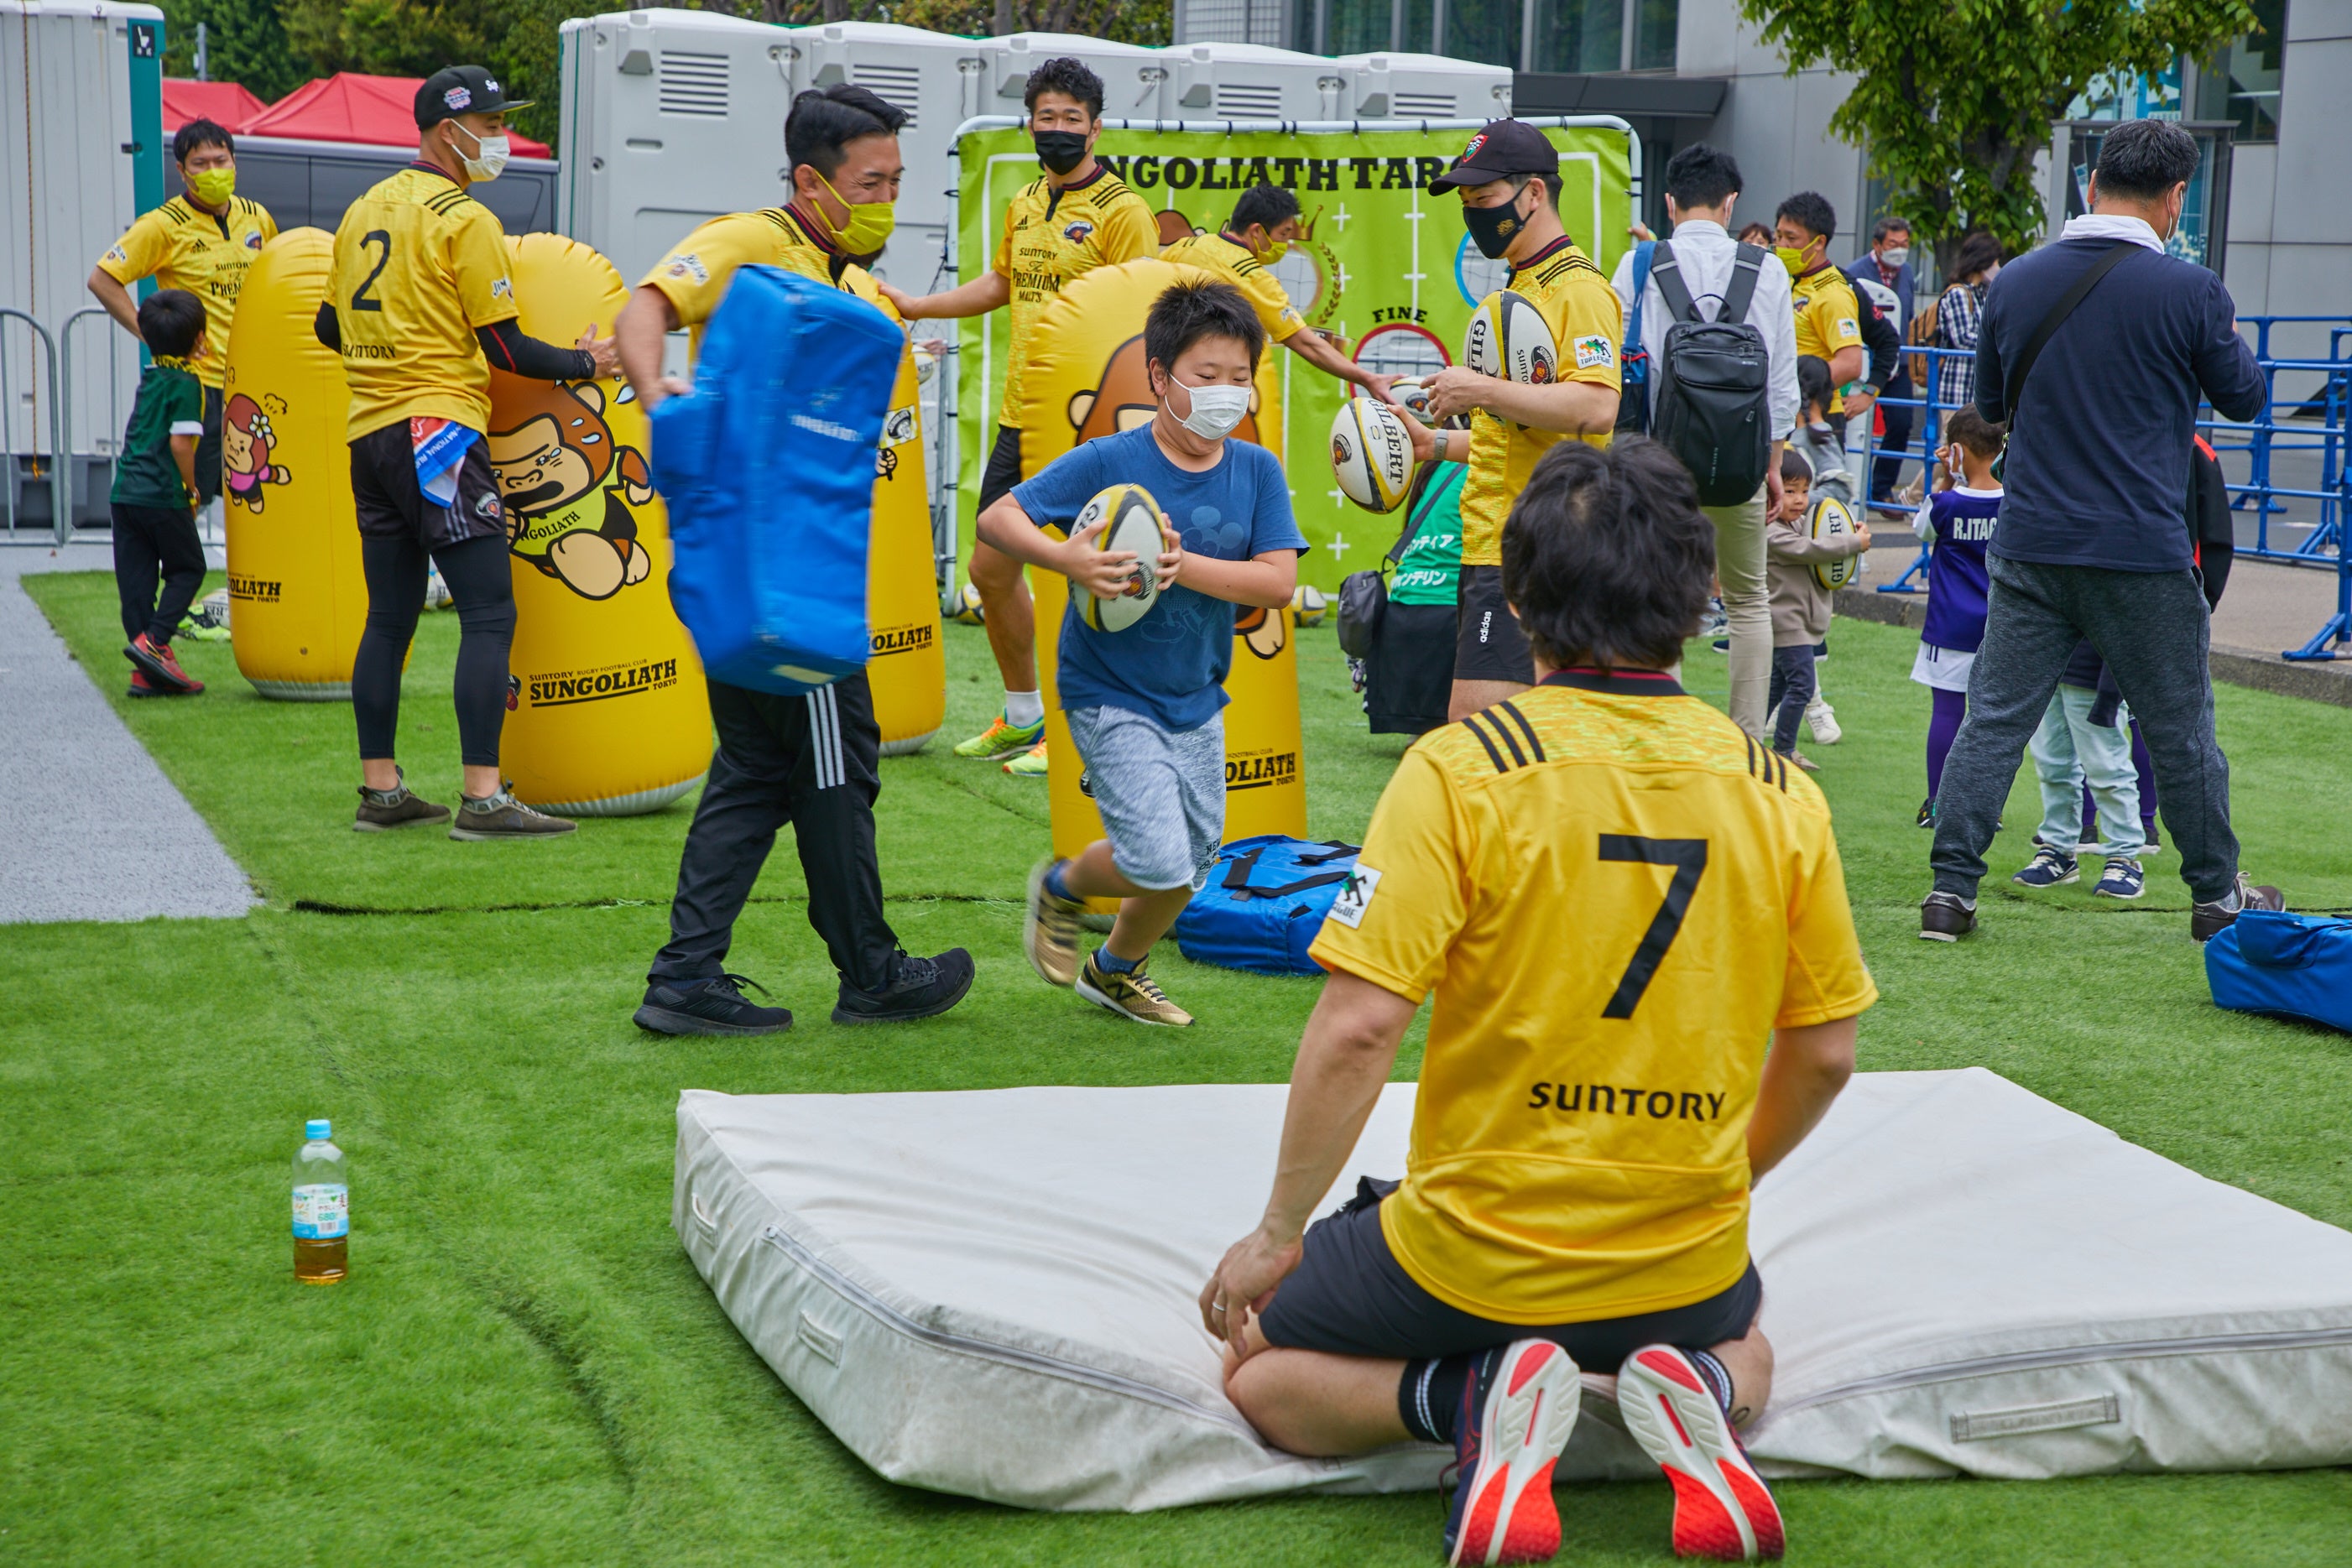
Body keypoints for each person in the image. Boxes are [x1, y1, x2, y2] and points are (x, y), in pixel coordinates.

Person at [1200, 436, 1875, 1567]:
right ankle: (1699, 1394)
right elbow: (1824, 1054)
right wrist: (1722, 1182)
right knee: (1750, 1348)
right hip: (1681, 1258)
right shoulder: (1778, 790)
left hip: (1470, 1253)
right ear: (1699, 592)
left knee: (1259, 1370)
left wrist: (1275, 1235)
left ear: (1516, 602)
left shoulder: (1460, 769)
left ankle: (1467, 1399)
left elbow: (1361, 1025)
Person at [615, 85, 976, 1035]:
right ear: (812, 181)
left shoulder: (846, 277)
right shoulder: (752, 240)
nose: (887, 200)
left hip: (774, 565)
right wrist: (658, 397)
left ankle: (684, 978)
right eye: (870, 182)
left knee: (753, 768)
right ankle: (871, 972)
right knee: (834, 769)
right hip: (777, 573)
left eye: (896, 181)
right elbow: (643, 307)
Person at [1922, 117, 2280, 945]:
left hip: (2031, 541)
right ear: (2175, 198)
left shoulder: (2015, 282)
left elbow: (1991, 403)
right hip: (2140, 548)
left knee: (1994, 719)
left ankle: (1949, 891)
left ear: (2090, 184)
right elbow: (2244, 398)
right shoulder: (2190, 290)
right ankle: (2214, 896)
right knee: (2179, 728)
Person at [316, 65, 617, 839]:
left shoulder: (361, 209)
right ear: (447, 131)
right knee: (488, 612)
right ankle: (483, 798)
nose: (499, 138)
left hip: (369, 432)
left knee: (389, 617)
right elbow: (505, 348)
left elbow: (326, 327)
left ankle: (380, 789)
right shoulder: (465, 217)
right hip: (438, 430)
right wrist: (589, 363)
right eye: (489, 126)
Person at [995, 280, 1304, 1026]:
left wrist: (1179, 565)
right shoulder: (1108, 458)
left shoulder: (1256, 469)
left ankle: (1114, 970)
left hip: (1196, 692)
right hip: (1108, 690)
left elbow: (1277, 582)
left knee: (1190, 870)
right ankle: (1063, 887)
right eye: (1207, 374)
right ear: (1161, 377)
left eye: (1240, 376)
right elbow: (999, 518)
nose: (1226, 392)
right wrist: (1064, 558)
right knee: (1158, 859)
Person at [882, 58, 1157, 778]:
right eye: (1046, 117)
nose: (1057, 129)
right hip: (1022, 416)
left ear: (1096, 129)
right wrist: (916, 304)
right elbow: (1003, 282)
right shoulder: (1026, 200)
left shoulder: (1124, 211)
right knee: (990, 568)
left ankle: (1072, 731)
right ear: (1029, 123)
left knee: (1081, 575)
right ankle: (1025, 713)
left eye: (1071, 118)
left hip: (1087, 425)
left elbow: (1141, 317)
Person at [1391, 119, 1622, 723]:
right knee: (1514, 740)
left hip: (1536, 545)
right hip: (1494, 545)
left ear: (1534, 193)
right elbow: (1521, 439)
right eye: (1466, 203)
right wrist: (1435, 444)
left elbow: (1597, 407)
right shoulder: (1522, 285)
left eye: (1484, 198)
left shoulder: (1577, 288)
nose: (1473, 214)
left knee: (1479, 738)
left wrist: (1482, 388)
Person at [1612, 143, 1798, 740]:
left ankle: (1663, 734)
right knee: (1747, 600)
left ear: (1669, 203)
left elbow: (1618, 369)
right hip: (1739, 464)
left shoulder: (1638, 264)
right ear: (1730, 203)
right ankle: (1746, 741)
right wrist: (1773, 464)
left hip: (1655, 463)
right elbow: (1782, 382)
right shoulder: (1768, 269)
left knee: (1656, 596)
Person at [89, 118, 278, 512]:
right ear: (181, 170)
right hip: (199, 383)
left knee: (253, 493)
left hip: (253, 381)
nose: (213, 171)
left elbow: (276, 279)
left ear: (234, 162)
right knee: (190, 498)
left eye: (221, 161)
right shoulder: (163, 225)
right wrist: (152, 334)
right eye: (200, 164)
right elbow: (102, 279)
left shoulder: (256, 216)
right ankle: (177, 552)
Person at [1161, 184, 1398, 404]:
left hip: (1160, 370)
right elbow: (1308, 344)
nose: (1285, 244)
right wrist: (1367, 378)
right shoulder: (1253, 277)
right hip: (1205, 390)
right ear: (1257, 231)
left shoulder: (1186, 245)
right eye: (1284, 234)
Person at [108, 288, 212, 698]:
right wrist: (191, 489)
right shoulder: (187, 383)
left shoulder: (150, 377)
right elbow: (181, 444)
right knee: (188, 568)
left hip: (125, 492)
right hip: (161, 494)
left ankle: (147, 675)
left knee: (136, 584)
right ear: (199, 338)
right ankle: (153, 641)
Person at [1909, 408, 2003, 835]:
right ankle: (1987, 809)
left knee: (1947, 712)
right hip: (2001, 630)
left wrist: (1947, 478)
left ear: (1958, 452)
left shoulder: (1945, 503)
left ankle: (1938, 803)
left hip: (1948, 629)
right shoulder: (2015, 503)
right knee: (1993, 722)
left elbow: (1921, 529)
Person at [1767, 394, 1871, 772]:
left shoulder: (1797, 521)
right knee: (1800, 685)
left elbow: (1820, 532)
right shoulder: (1771, 532)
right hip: (1787, 624)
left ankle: (1747, 741)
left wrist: (1849, 529)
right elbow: (1810, 549)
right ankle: (1783, 751)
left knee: (1778, 687)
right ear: (1771, 490)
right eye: (1789, 491)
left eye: (1803, 491)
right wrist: (1853, 543)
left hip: (1798, 623)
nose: (1799, 500)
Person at [2012, 641, 2146, 899]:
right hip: (2046, 668)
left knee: (2107, 769)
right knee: (2052, 767)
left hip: (2094, 670)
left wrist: (2114, 678)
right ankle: (2058, 849)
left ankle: (2125, 857)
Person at [1772, 193, 1865, 440]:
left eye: (1791, 238)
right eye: (1778, 236)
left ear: (1819, 242)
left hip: (1818, 418)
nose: (1782, 245)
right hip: (1786, 414)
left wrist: (1799, 390)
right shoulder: (1790, 280)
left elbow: (1851, 364)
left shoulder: (1833, 294)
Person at [1844, 218, 1917, 509]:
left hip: (1898, 363)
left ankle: (1881, 488)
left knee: (1901, 423)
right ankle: (1852, 488)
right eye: (1892, 244)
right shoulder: (1856, 273)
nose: (1899, 250)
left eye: (1905, 244)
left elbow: (1907, 315)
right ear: (1877, 244)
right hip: (1864, 363)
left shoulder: (1907, 272)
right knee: (1854, 425)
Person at [1932, 232, 2003, 415]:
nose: (1998, 267)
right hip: (1957, 389)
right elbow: (1963, 338)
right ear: (1982, 261)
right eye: (1995, 262)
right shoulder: (1959, 293)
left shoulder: (1983, 293)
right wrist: (1999, 342)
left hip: (1976, 391)